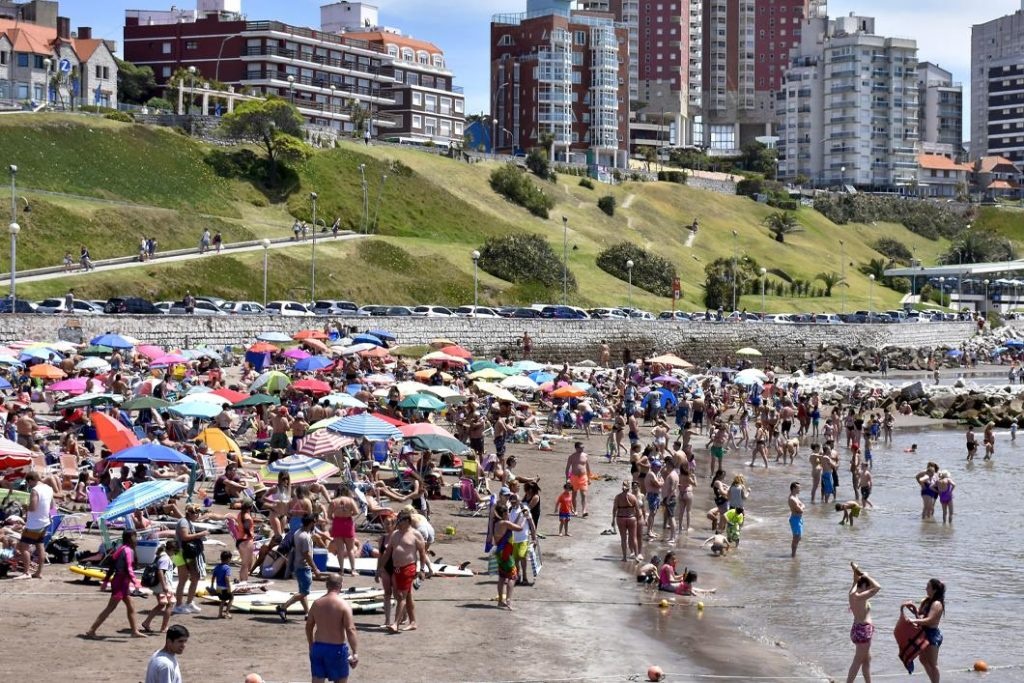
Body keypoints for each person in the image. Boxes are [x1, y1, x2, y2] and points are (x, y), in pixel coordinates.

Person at [85, 529, 145, 638]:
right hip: (121, 581)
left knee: (131, 606)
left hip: (120, 581)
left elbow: (112, 567)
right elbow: (128, 568)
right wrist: (136, 583)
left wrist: (106, 581)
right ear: (131, 537)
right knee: (110, 608)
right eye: (135, 537)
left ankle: (134, 631)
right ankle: (91, 631)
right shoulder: (127, 550)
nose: (136, 539)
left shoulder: (120, 549)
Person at [378, 508, 433, 629]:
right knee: (407, 596)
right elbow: (387, 553)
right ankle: (413, 622)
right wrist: (379, 568)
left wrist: (422, 569)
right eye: (398, 520)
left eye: (401, 520)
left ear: (407, 521)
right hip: (396, 569)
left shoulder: (415, 534)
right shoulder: (395, 534)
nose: (398, 522)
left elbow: (422, 553)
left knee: (401, 596)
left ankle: (395, 623)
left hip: (409, 567)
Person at [306, 574, 359, 683]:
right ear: (341, 585)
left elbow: (309, 626)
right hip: (336, 649)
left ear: (327, 585)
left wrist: (311, 644)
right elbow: (350, 629)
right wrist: (355, 652)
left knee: (317, 679)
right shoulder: (344, 605)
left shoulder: (316, 603)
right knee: (340, 680)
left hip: (318, 647)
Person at [276, 515, 323, 621]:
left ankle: (308, 613)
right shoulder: (305, 537)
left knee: (302, 591)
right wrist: (315, 569)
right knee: (304, 592)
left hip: (298, 565)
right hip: (303, 566)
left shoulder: (298, 532)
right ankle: (283, 607)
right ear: (311, 523)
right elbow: (306, 554)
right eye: (314, 522)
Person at [903, 579, 946, 683]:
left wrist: (913, 620)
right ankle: (933, 681)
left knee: (933, 663)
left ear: (934, 590)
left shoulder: (937, 604)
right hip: (922, 633)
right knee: (922, 659)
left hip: (932, 635)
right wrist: (912, 609)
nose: (926, 588)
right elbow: (920, 615)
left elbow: (929, 620)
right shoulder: (925, 601)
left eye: (928, 587)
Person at [846, 563, 881, 683]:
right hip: (863, 631)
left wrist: (855, 570)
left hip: (857, 630)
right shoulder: (860, 596)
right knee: (857, 661)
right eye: (868, 585)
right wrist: (867, 576)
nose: (869, 588)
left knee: (866, 660)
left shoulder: (852, 593)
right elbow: (877, 587)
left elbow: (855, 580)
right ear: (864, 586)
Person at [15, 470, 53, 579]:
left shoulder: (35, 490)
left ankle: (26, 572)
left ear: (31, 480)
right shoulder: (49, 488)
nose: (28, 485)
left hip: (34, 523)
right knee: (40, 546)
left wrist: (24, 506)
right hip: (45, 522)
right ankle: (39, 573)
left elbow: (33, 508)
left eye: (28, 483)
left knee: (23, 547)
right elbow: (51, 506)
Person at [174, 505, 209, 614]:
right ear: (189, 513)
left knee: (195, 577)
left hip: (187, 554)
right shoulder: (183, 522)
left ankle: (189, 602)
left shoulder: (188, 522)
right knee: (183, 579)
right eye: (195, 513)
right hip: (180, 554)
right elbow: (184, 537)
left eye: (198, 513)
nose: (197, 515)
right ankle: (178, 605)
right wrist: (200, 534)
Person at [490, 502, 522, 610]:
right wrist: (525, 517)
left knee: (502, 576)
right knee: (513, 576)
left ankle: (500, 600)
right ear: (503, 513)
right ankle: (508, 600)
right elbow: (519, 528)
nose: (508, 513)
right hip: (505, 552)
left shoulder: (496, 523)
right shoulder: (505, 523)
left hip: (500, 552)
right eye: (507, 512)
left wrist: (519, 516)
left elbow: (512, 525)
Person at [142, 540, 179, 634]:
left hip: (161, 586)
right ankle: (164, 627)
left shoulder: (161, 556)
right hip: (164, 586)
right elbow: (160, 571)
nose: (174, 554)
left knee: (162, 604)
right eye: (175, 552)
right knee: (170, 604)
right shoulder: (165, 558)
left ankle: (147, 622)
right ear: (172, 550)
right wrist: (164, 586)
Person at [329, 485, 359, 577]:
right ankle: (353, 570)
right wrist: (349, 513)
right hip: (347, 523)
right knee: (350, 549)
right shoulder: (350, 501)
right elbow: (356, 512)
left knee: (340, 549)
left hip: (337, 523)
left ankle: (341, 570)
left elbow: (329, 514)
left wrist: (335, 517)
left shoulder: (334, 501)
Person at [564, 442, 592, 517]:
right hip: (574, 477)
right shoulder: (571, 457)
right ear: (576, 448)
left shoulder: (585, 456)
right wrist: (567, 479)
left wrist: (589, 478)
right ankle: (575, 510)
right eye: (580, 447)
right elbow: (567, 469)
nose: (582, 449)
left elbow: (588, 468)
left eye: (583, 447)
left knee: (584, 494)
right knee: (574, 495)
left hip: (583, 477)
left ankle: (584, 511)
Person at [210, 550, 234, 619]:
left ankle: (220, 614)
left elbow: (213, 577)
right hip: (224, 588)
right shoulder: (227, 568)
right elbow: (226, 578)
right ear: (229, 559)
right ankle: (227, 613)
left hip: (218, 588)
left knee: (223, 600)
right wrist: (229, 587)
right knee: (231, 598)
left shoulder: (217, 567)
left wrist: (212, 585)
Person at [788, 481, 804, 558]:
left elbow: (802, 505)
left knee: (799, 537)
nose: (800, 489)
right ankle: (793, 555)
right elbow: (801, 510)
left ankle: (793, 554)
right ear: (793, 488)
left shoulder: (796, 496)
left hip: (799, 519)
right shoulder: (792, 499)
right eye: (798, 488)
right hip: (795, 519)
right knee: (796, 537)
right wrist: (802, 507)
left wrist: (801, 506)